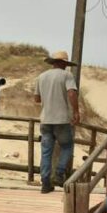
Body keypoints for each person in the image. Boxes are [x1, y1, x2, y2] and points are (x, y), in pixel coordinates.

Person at [33, 51, 80, 193]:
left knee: (46, 151)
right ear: (63, 63)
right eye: (65, 64)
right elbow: (71, 93)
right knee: (67, 146)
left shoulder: (41, 77)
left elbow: (36, 98)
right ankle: (59, 174)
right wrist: (76, 111)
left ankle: (45, 183)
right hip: (61, 119)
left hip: (45, 120)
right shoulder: (66, 75)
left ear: (53, 62)